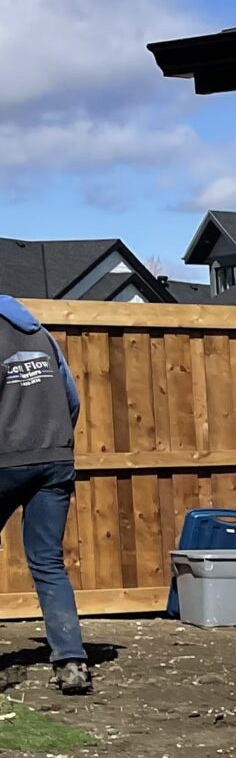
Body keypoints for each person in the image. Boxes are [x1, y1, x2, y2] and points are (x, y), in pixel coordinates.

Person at [0, 295, 89, 695]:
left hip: (5, 460)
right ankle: (71, 661)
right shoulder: (42, 335)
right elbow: (72, 398)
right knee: (48, 562)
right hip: (55, 459)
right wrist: (54, 443)